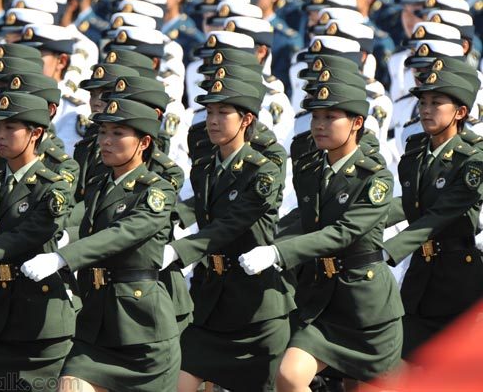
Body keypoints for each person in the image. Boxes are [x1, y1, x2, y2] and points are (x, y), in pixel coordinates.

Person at [239, 81, 404, 391]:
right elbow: (304, 219)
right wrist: (264, 242)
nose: (319, 125)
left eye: (331, 117)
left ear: (357, 123)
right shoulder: (311, 170)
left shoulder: (375, 178)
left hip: (366, 308)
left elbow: (344, 233)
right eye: (316, 117)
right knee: (289, 375)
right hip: (322, 301)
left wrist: (278, 253)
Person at [21, 98, 181, 392]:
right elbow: (86, 225)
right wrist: (63, 236)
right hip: (96, 324)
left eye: (118, 133)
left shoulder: (157, 191)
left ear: (144, 142)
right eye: (103, 132)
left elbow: (123, 234)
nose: (106, 141)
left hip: (142, 329)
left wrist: (62, 258)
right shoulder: (100, 184)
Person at [162, 77, 293, 391]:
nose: (213, 121)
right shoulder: (206, 167)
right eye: (209, 113)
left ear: (246, 119)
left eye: (223, 113)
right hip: (213, 302)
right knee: (179, 382)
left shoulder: (263, 171)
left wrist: (180, 250)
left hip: (256, 309)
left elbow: (230, 224)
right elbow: (199, 209)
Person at [0, 92, 77, 392]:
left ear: (36, 133)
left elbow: (27, 235)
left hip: (39, 321)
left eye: (10, 128)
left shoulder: (52, 188)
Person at [383, 69, 483, 358]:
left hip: (458, 280)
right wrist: (363, 219)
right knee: (402, 364)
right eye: (423, 103)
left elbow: (440, 213)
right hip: (420, 275)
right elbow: (411, 204)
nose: (425, 110)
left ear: (460, 112)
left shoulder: (474, 159)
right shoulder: (416, 151)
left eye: (436, 103)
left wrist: (388, 251)